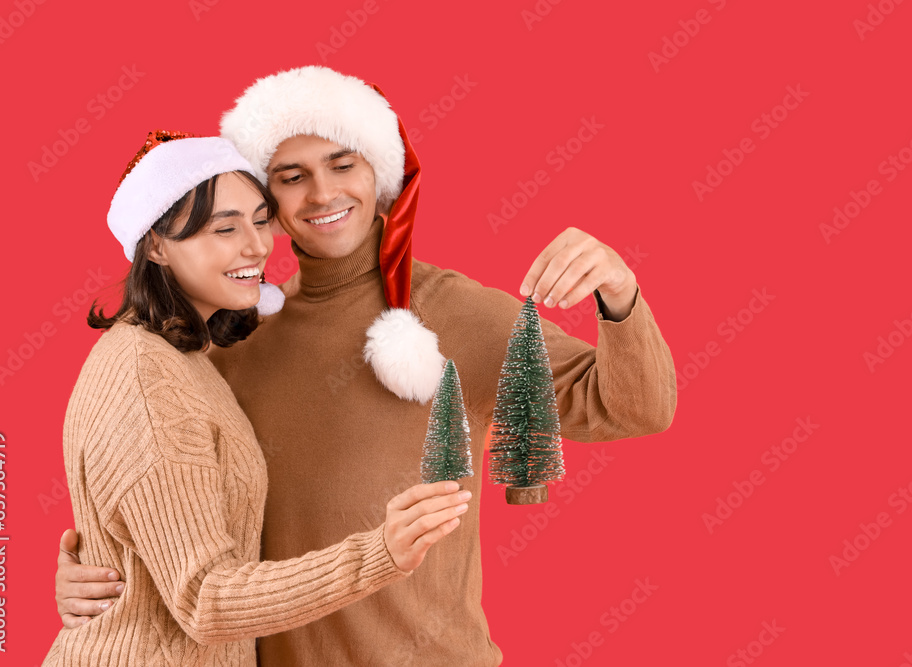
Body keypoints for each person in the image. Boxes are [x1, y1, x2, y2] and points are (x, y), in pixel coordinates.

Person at [55, 67, 677, 665]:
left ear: (378, 171)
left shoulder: (458, 314)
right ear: (266, 195)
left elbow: (634, 407)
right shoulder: (233, 334)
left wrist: (619, 294)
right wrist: (104, 577)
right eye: (291, 176)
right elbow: (175, 505)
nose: (323, 193)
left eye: (343, 164)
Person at [45, 129, 469, 665]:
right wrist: (378, 553)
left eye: (260, 218)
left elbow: (145, 529)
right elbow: (204, 599)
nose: (257, 245)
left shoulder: (184, 355)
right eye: (225, 228)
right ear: (155, 245)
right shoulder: (148, 383)